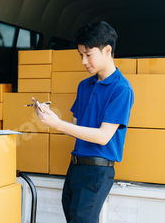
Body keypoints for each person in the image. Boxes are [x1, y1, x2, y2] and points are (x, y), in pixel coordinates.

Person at [32, 21, 134, 223]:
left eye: (88, 54)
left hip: (97, 171)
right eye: (81, 55)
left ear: (107, 50)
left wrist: (59, 124)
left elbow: (104, 137)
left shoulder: (121, 89)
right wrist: (50, 117)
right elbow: (73, 128)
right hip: (75, 167)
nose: (83, 61)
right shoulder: (84, 85)